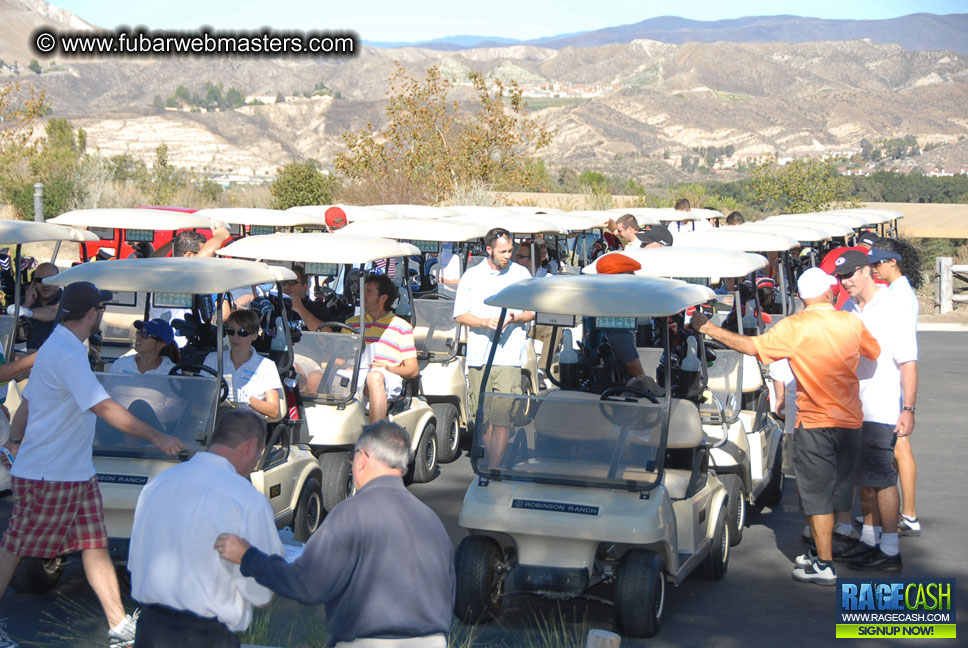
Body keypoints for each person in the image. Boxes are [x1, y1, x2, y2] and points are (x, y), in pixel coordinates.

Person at [0, 281, 184, 648]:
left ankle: (118, 625)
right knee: (15, 547)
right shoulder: (67, 354)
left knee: (94, 544)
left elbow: (31, 400)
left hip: (73, 473)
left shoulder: (62, 346)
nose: (103, 314)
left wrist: (14, 440)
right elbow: (102, 406)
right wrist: (157, 436)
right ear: (92, 313)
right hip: (49, 475)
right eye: (101, 308)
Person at [689, 267, 879, 586]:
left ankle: (825, 564)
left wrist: (708, 327)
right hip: (850, 419)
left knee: (816, 493)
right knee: (838, 486)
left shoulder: (795, 326)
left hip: (815, 420)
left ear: (803, 297)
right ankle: (826, 548)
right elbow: (873, 352)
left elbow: (752, 348)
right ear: (829, 292)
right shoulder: (850, 321)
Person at [214, 421, 454, 648]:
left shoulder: (351, 514)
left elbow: (307, 585)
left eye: (352, 457)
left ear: (363, 459)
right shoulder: (432, 521)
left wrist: (248, 557)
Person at [128, 408, 284, 647]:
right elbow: (261, 591)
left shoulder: (158, 484)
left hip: (150, 630)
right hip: (205, 637)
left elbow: (135, 561)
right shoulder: (247, 501)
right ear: (251, 446)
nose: (255, 463)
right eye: (259, 455)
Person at [832, 250, 917, 571]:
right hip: (853, 408)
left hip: (881, 408)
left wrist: (908, 408)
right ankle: (870, 541)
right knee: (864, 481)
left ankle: (891, 551)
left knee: (882, 480)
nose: (845, 282)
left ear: (868, 272)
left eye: (849, 275)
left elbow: (908, 361)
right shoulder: (849, 308)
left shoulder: (893, 305)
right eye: (841, 278)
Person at [454, 228, 533, 466]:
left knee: (503, 418)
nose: (507, 256)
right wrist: (483, 322)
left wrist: (514, 318)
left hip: (509, 357)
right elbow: (459, 314)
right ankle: (491, 461)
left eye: (510, 251)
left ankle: (493, 468)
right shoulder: (472, 275)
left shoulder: (521, 273)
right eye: (502, 252)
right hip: (479, 357)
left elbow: (531, 312)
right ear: (489, 250)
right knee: (484, 418)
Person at [869, 239, 921, 535]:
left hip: (897, 373)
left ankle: (909, 514)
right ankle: (908, 513)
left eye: (879, 262)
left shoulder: (898, 293)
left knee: (900, 445)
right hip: (896, 372)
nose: (875, 268)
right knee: (899, 446)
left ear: (892, 262)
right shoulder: (900, 289)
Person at [345, 274, 418, 423]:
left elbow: (413, 370)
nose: (363, 296)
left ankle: (375, 435)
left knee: (374, 376)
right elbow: (340, 356)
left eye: (369, 292)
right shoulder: (351, 324)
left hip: (386, 375)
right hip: (356, 372)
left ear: (383, 298)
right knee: (315, 376)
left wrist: (388, 368)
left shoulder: (401, 327)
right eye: (363, 291)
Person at [203, 309, 282, 420]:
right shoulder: (212, 359)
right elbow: (200, 401)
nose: (235, 337)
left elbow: (274, 411)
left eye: (242, 333)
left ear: (254, 336)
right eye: (231, 331)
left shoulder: (266, 366)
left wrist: (247, 399)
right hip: (217, 422)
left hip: (250, 425)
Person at [6, 263, 61, 351]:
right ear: (34, 282)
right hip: (21, 356)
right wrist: (27, 304)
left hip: (53, 357)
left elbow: (53, 311)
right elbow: (9, 331)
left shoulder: (66, 300)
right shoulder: (24, 301)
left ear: (59, 280)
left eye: (50, 280)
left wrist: (26, 311)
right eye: (40, 280)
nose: (45, 285)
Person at [108, 319, 179, 376]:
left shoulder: (171, 372)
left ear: (161, 344)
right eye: (139, 332)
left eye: (146, 334)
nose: (138, 337)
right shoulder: (121, 364)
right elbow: (107, 390)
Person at [283, 265, 334, 332]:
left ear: (305, 286)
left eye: (292, 282)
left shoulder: (317, 308)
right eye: (283, 283)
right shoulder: (275, 306)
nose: (286, 287)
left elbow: (327, 334)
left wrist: (300, 309)